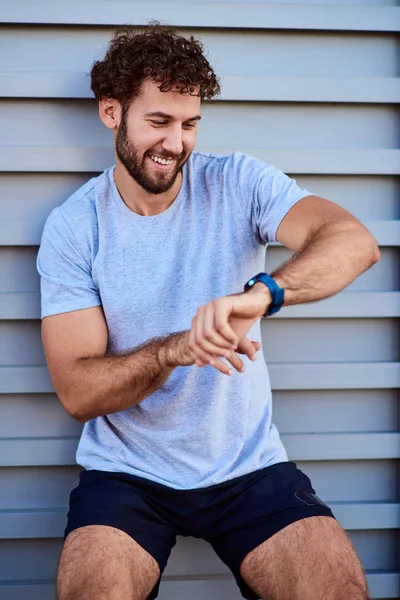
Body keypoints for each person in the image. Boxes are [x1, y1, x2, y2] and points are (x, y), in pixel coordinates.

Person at [37, 23, 378, 600]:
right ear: (111, 112)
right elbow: (79, 392)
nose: (176, 142)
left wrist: (264, 292)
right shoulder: (75, 227)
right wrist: (176, 348)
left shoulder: (237, 181)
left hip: (248, 467)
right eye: (159, 122)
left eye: (190, 123)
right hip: (128, 474)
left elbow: (352, 241)